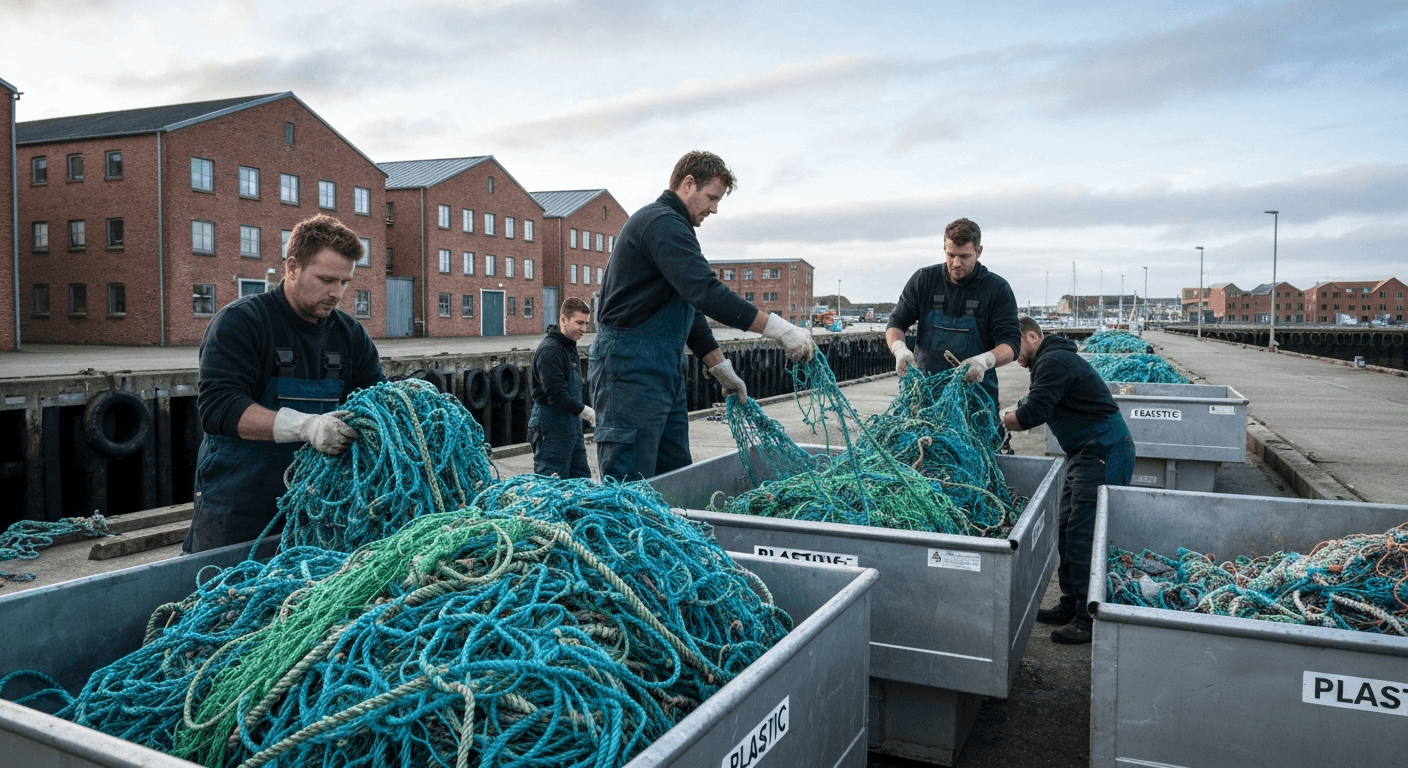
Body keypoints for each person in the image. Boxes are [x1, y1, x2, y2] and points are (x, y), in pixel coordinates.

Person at [590, 150, 816, 481]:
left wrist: (720, 367)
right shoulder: (661, 223)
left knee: (675, 475)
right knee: (631, 479)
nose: (714, 208)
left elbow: (689, 309)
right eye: (711, 197)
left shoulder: (677, 229)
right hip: (629, 365)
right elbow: (706, 293)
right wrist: (779, 329)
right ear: (688, 183)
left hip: (662, 366)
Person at [184, 215, 386, 554]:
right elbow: (220, 408)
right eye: (326, 279)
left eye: (345, 282)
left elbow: (378, 401)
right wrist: (305, 425)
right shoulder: (241, 323)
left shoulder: (350, 336)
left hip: (317, 506)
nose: (337, 293)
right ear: (292, 267)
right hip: (239, 505)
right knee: (222, 596)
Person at [1002, 316, 1135, 644]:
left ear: (1032, 336)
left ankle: (1087, 618)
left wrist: (998, 418)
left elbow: (1032, 415)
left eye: (1013, 344)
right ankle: (1069, 603)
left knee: (1083, 533)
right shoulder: (1049, 361)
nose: (1008, 354)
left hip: (1103, 448)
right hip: (1083, 452)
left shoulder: (1054, 361)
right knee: (1065, 527)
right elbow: (1037, 401)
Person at [885, 218, 1020, 410]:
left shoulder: (997, 289)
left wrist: (984, 361)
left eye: (964, 256)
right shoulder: (923, 280)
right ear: (944, 249)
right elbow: (896, 323)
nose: (956, 263)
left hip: (976, 398)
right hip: (925, 394)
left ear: (978, 252)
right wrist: (899, 349)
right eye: (951, 255)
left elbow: (1011, 344)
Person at [529, 297, 594, 479]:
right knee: (553, 486)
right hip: (551, 429)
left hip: (572, 429)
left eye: (587, 323)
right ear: (563, 319)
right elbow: (556, 395)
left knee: (581, 483)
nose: (583, 329)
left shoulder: (569, 347)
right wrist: (587, 413)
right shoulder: (551, 350)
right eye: (579, 322)